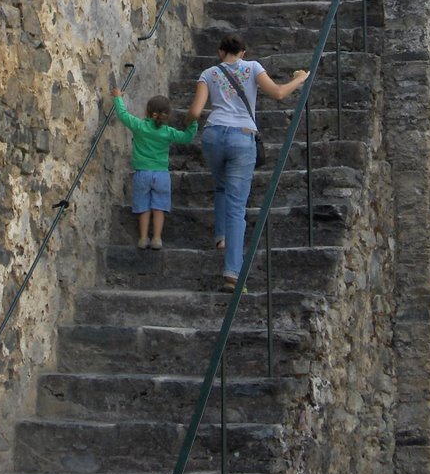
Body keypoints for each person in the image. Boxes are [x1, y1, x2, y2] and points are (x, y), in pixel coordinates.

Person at [185, 34, 309, 292]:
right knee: (237, 206)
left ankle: (221, 238)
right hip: (242, 137)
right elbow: (276, 93)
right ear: (243, 52)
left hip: (213, 134)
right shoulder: (252, 67)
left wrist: (189, 125)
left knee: (221, 186)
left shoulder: (208, 73)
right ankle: (232, 274)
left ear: (221, 52)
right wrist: (299, 79)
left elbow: (196, 112)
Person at [111, 87, 198, 250]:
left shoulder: (139, 126)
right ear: (168, 114)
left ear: (147, 111)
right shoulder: (168, 132)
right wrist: (193, 122)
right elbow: (186, 138)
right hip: (162, 175)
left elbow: (123, 116)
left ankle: (143, 238)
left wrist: (117, 98)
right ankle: (157, 238)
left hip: (142, 174)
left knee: (143, 206)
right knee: (159, 207)